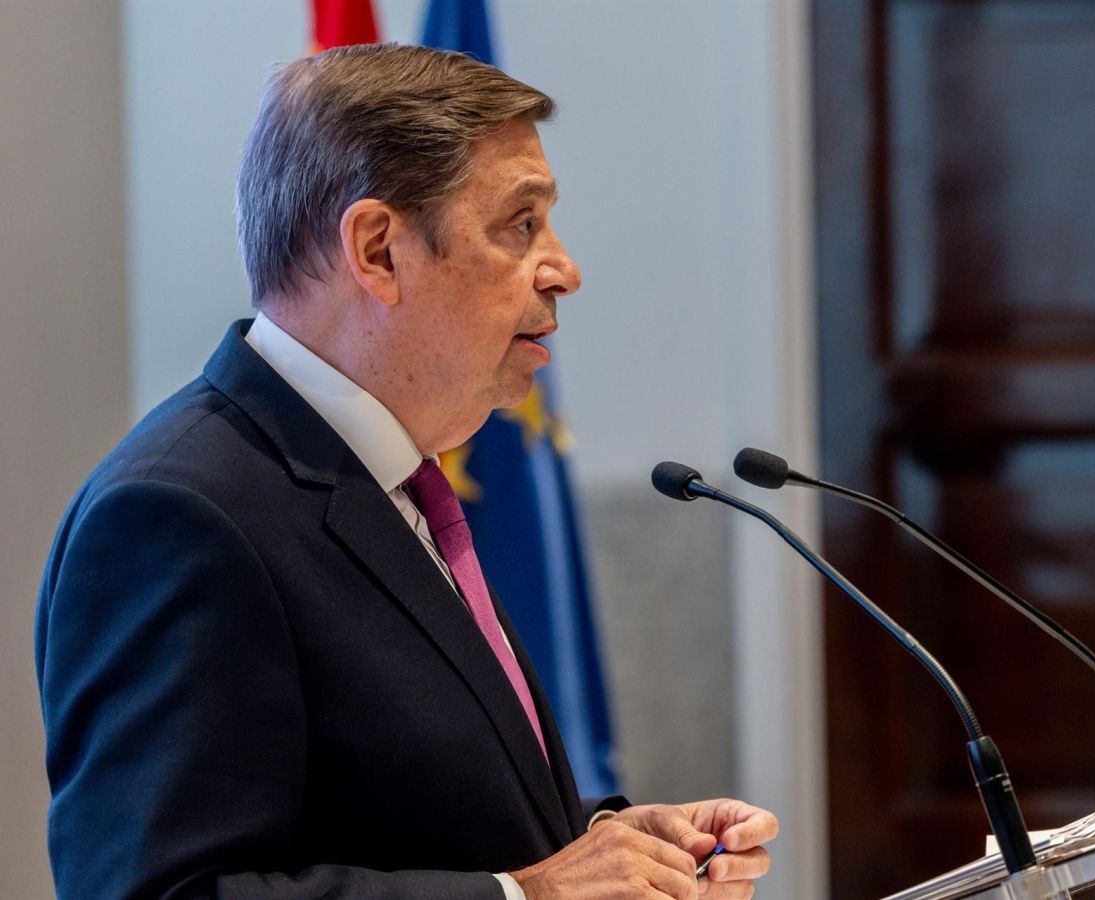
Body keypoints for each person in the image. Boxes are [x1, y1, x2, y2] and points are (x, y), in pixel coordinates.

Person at [35, 44, 777, 899]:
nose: (564, 270)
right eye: (520, 224)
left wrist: (603, 843)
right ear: (379, 251)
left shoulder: (393, 478)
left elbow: (405, 810)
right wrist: (527, 896)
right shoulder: (176, 515)